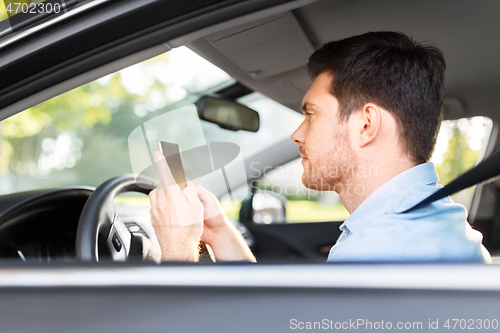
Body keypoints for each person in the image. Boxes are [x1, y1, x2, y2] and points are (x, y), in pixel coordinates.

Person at [148, 31, 491, 263]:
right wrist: (222, 234)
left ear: (366, 125)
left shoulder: (378, 252)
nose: (298, 134)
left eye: (311, 115)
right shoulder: (430, 220)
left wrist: (178, 252)